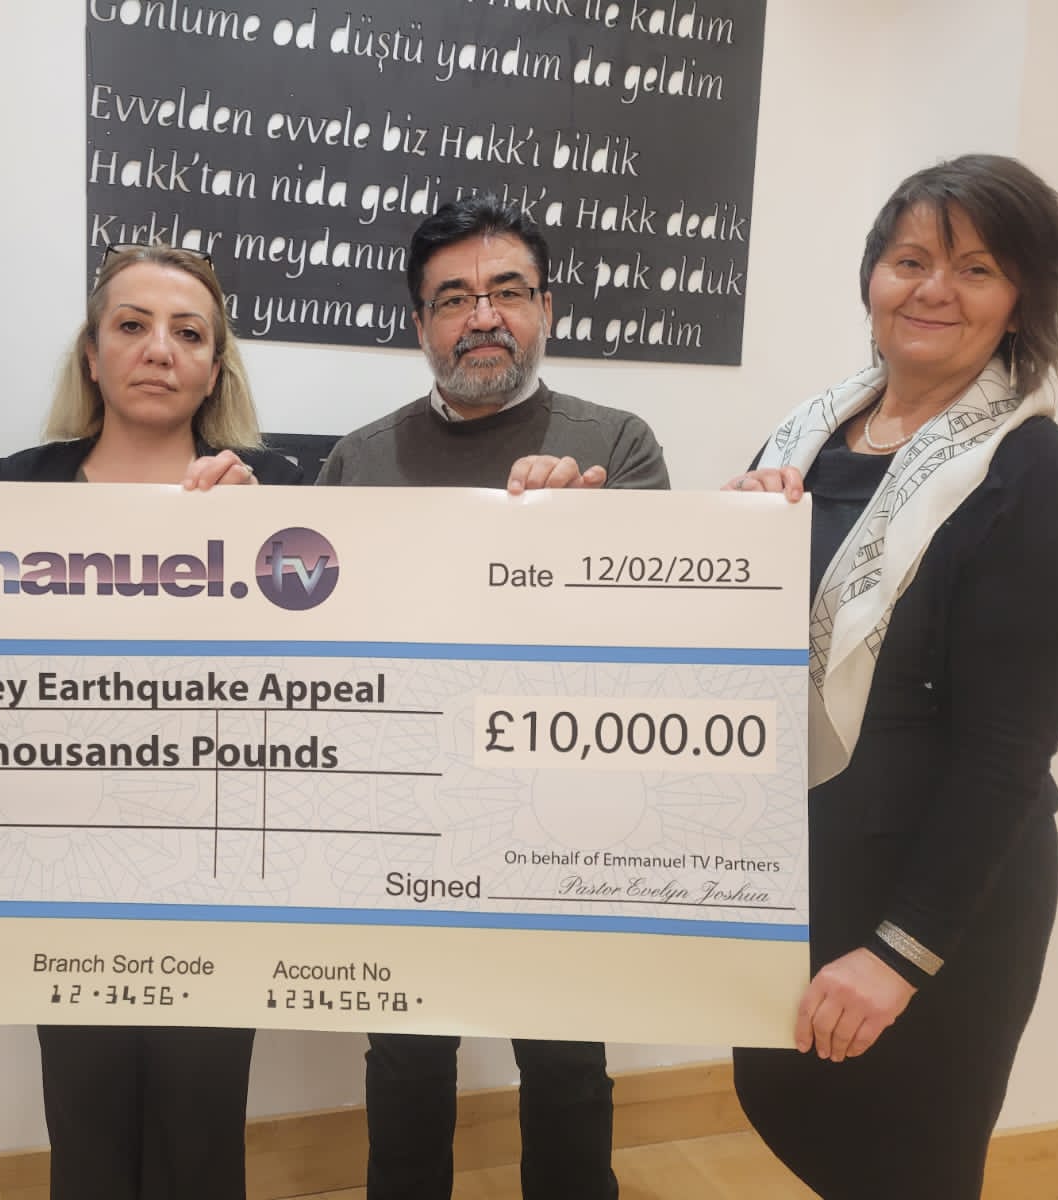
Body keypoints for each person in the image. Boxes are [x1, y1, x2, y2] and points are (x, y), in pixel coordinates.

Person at [726, 155, 1058, 1200]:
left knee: (906, 1167)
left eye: (975, 269)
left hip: (938, 901)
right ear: (872, 277)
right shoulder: (803, 442)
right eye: (910, 261)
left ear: (1021, 299)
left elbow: (1004, 759)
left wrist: (897, 955)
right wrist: (730, 544)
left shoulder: (1041, 485)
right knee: (785, 1106)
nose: (934, 289)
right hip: (798, 868)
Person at [318, 194, 669, 1200]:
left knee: (564, 1057)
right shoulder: (356, 461)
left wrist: (575, 537)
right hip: (403, 810)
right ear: (419, 323)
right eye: (453, 298)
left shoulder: (616, 447)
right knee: (405, 1055)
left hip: (559, 809)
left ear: (545, 309)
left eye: (508, 292)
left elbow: (650, 642)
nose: (483, 317)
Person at [0, 242, 302, 1199]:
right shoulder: (19, 484)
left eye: (188, 333)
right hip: (65, 854)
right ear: (92, 355)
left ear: (215, 367)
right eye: (132, 326)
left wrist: (262, 535)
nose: (159, 349)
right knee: (83, 1116)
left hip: (218, 860)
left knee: (202, 1125)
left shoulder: (276, 491)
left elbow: (321, 685)